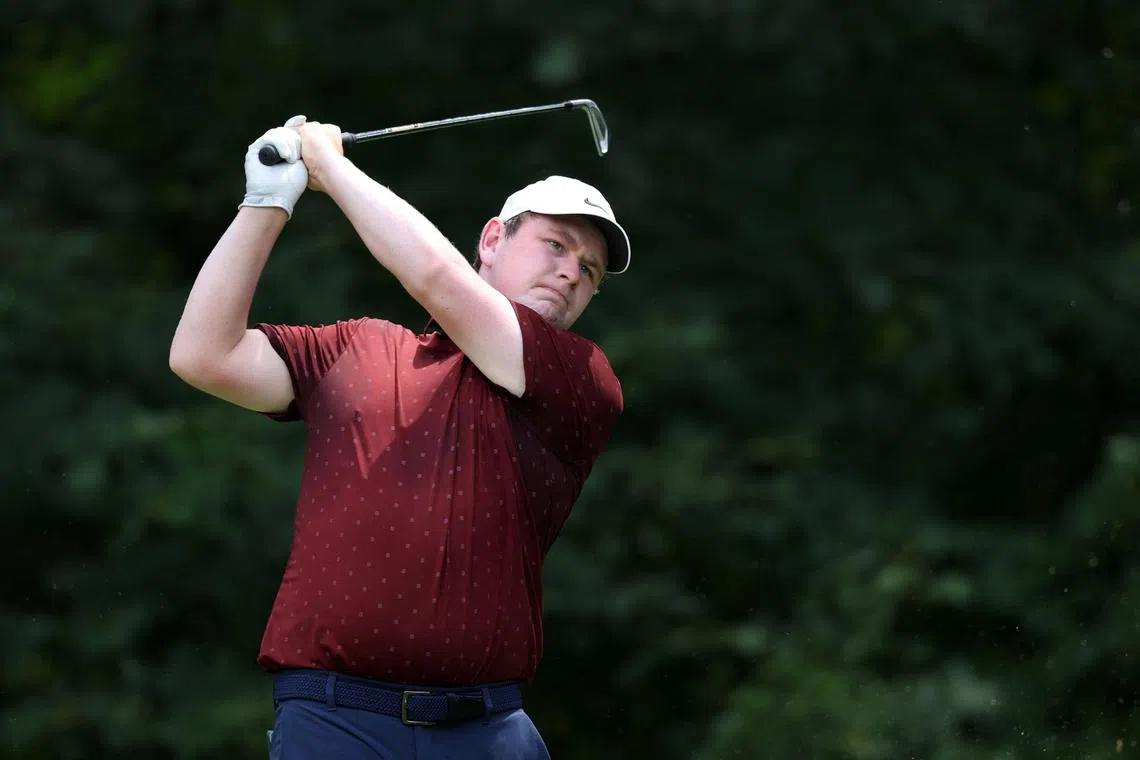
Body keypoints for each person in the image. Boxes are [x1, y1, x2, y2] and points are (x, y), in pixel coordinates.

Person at [168, 115, 630, 759]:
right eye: (556, 245)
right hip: (333, 721)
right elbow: (203, 356)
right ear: (493, 239)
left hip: (486, 731)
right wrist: (267, 201)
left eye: (590, 270)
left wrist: (329, 166)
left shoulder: (580, 377)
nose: (572, 273)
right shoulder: (358, 347)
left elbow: (439, 281)